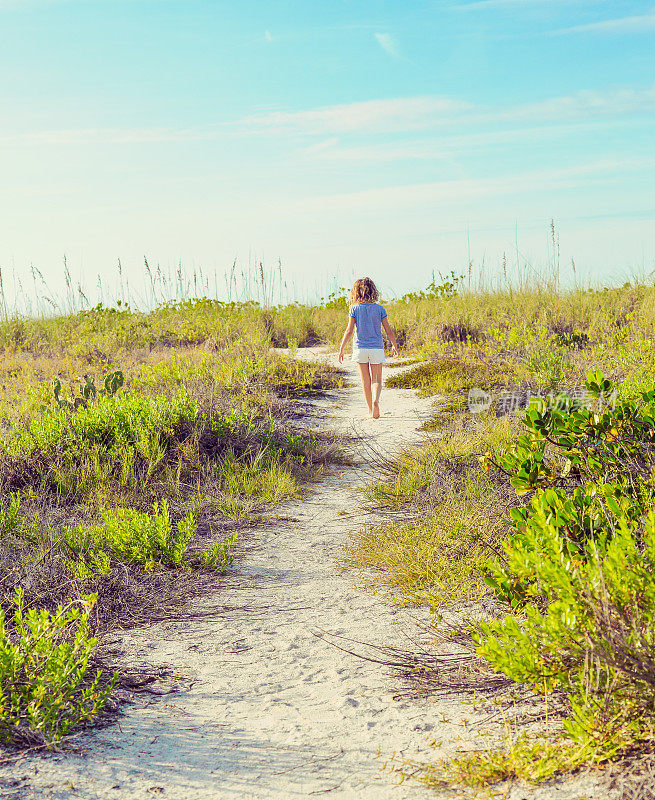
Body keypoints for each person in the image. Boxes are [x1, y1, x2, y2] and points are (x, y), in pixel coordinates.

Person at [338, 277, 399, 419]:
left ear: (356, 292)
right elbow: (388, 331)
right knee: (376, 380)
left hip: (360, 349)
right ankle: (376, 401)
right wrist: (394, 346)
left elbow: (349, 331)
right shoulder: (380, 309)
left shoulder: (354, 309)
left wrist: (341, 349)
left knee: (365, 381)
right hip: (376, 349)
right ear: (373, 290)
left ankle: (370, 410)